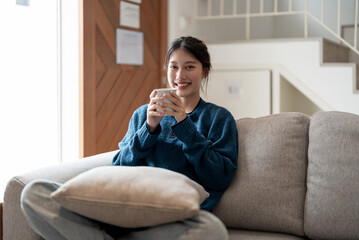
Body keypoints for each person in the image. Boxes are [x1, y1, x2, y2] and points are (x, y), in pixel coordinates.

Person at [20, 36, 238, 240]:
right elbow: (120, 167)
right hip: (123, 209)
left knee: (212, 230)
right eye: (174, 67)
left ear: (205, 72)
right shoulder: (143, 115)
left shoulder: (218, 118)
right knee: (35, 192)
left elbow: (219, 177)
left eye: (189, 67)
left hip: (172, 220)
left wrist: (184, 125)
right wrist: (149, 129)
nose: (180, 75)